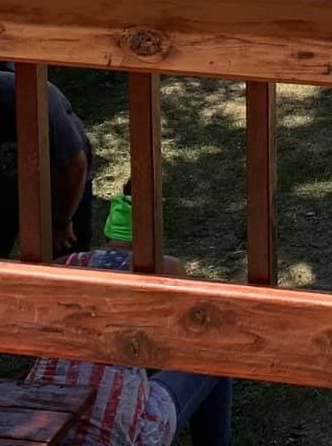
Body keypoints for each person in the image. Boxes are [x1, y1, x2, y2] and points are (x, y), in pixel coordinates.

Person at [26, 183, 235, 446]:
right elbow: (192, 336)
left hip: (41, 421)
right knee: (214, 354)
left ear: (106, 237)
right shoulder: (165, 269)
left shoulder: (64, 267)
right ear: (150, 240)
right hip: (110, 433)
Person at [0, 67, 95, 259]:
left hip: (58, 189)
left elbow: (74, 166)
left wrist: (61, 222)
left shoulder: (39, 102)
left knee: (68, 263)